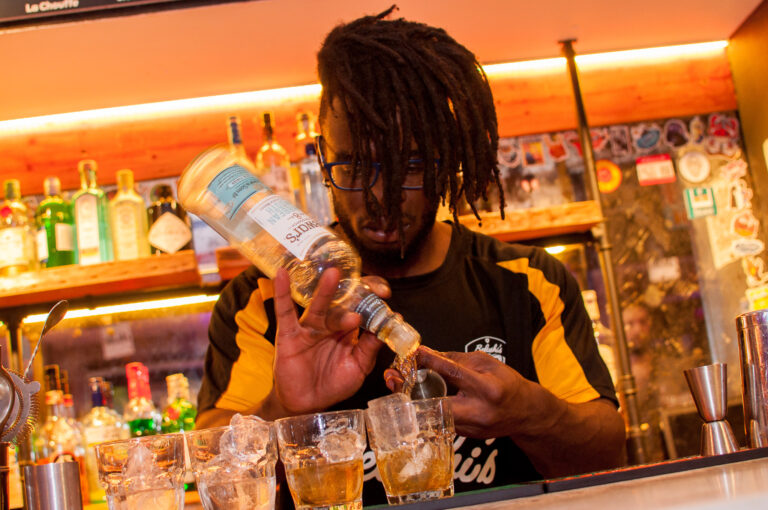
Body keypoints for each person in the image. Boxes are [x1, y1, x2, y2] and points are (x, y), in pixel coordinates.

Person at [196, 6, 625, 505]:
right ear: (319, 155)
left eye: (411, 164)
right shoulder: (267, 296)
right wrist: (280, 408)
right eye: (354, 166)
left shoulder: (527, 282)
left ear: (448, 161)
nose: (382, 196)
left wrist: (532, 413)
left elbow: (608, 456)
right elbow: (211, 475)